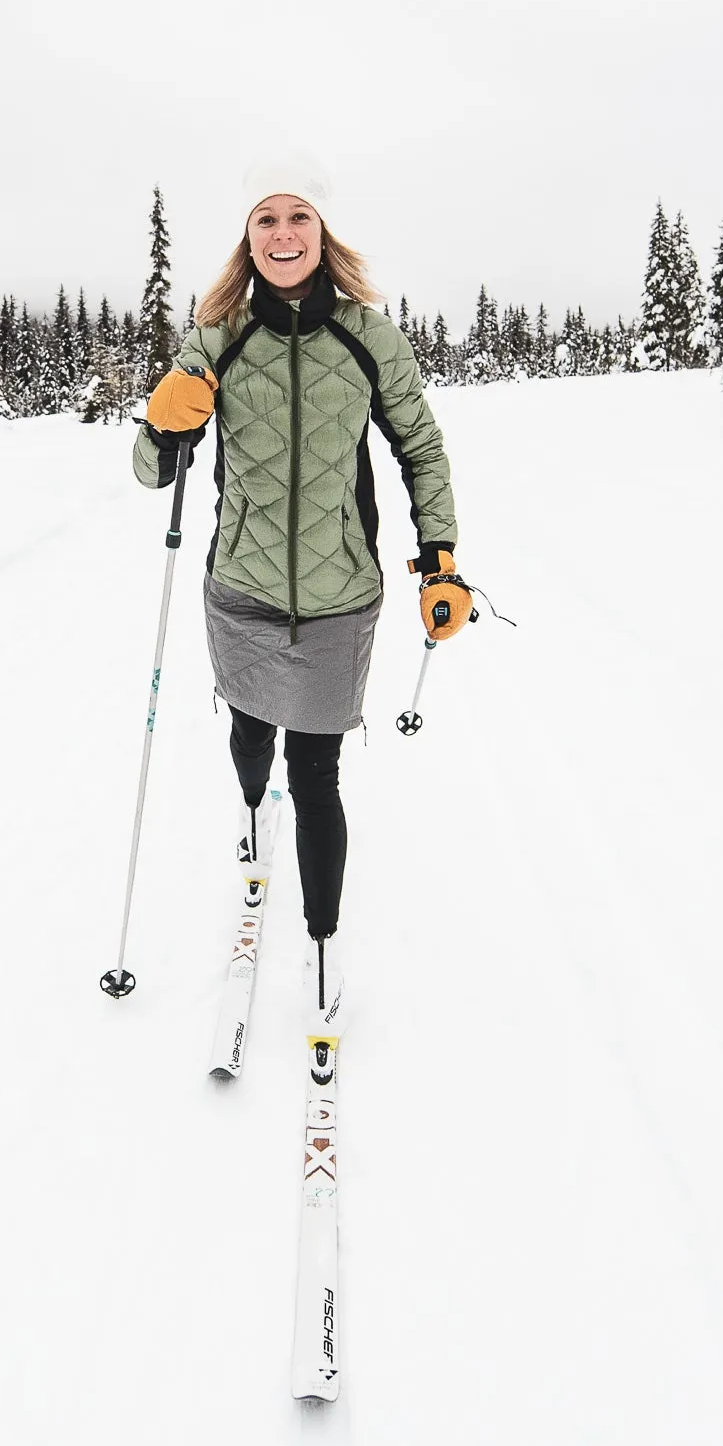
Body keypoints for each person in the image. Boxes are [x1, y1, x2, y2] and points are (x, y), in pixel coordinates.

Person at [131, 164, 469, 1033]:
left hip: (339, 597)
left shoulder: (368, 336)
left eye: (299, 218)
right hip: (238, 586)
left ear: (322, 237)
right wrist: (163, 422)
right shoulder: (219, 334)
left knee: (315, 774)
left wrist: (438, 559)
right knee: (249, 725)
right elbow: (150, 471)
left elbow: (420, 448)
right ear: (249, 242)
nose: (283, 235)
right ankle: (251, 822)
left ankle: (320, 949)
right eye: (265, 220)